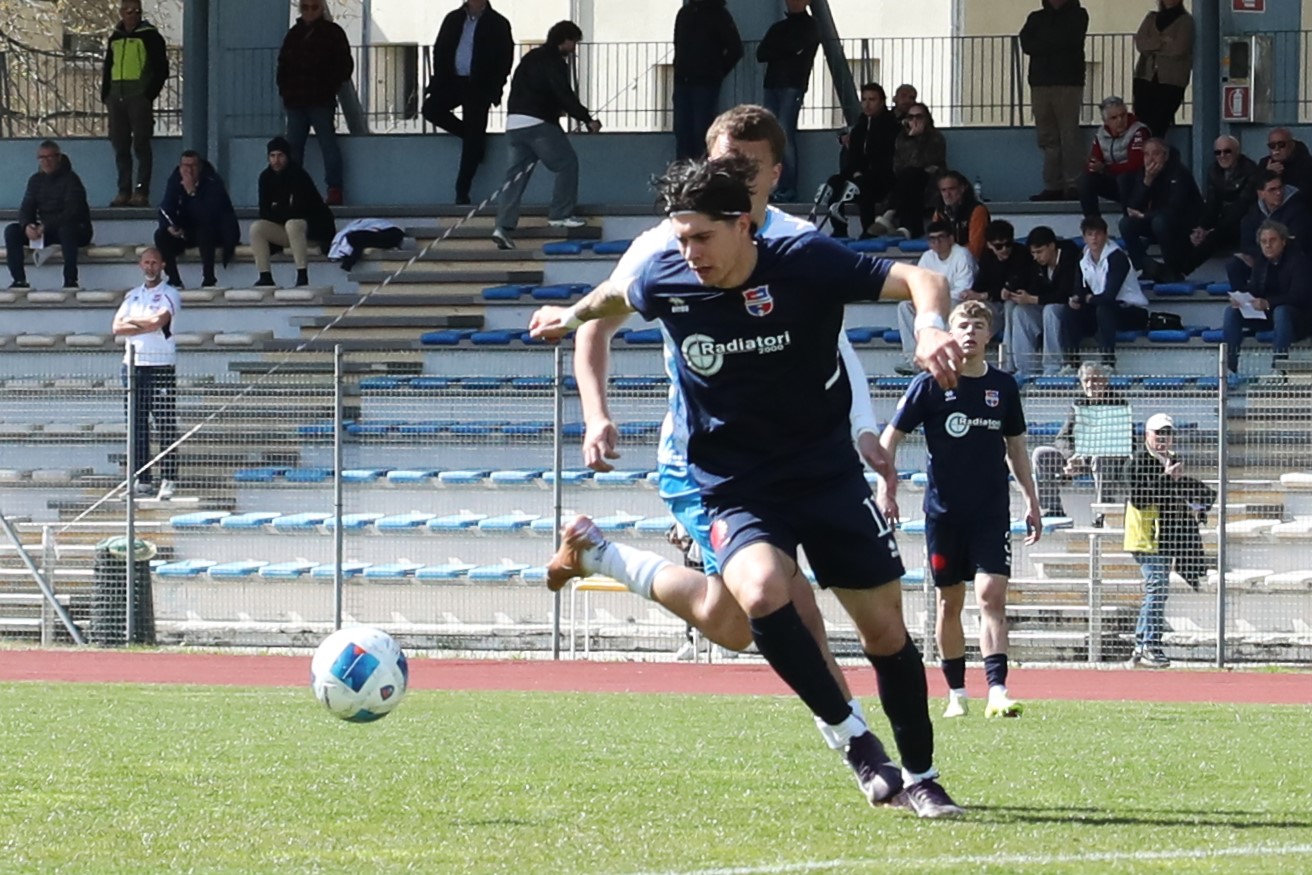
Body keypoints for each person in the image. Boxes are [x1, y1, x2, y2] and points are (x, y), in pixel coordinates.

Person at [530, 155, 967, 818]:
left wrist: (930, 326)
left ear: (743, 225)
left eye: (702, 237)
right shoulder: (665, 276)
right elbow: (614, 298)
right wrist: (569, 314)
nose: (690, 253)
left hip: (825, 472)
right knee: (760, 593)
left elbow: (922, 278)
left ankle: (923, 774)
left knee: (883, 633)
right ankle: (854, 741)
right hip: (734, 482)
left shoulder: (805, 260)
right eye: (682, 238)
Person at [545, 104, 887, 769]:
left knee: (732, 623)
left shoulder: (796, 242)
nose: (737, 176)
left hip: (798, 456)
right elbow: (595, 323)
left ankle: (599, 556)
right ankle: (861, 748)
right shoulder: (668, 243)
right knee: (786, 601)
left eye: (750, 167)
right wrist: (596, 414)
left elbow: (835, 344)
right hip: (710, 460)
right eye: (725, 162)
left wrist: (864, 427)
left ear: (776, 174)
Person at [879, 301, 1041, 719]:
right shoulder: (930, 383)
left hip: (990, 512)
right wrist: (886, 488)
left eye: (978, 324)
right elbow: (889, 439)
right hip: (944, 514)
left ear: (990, 334)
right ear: (950, 334)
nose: (970, 331)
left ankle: (998, 691)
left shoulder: (1004, 386)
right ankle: (956, 693)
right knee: (949, 602)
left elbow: (1016, 448)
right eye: (963, 324)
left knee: (991, 596)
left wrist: (1032, 500)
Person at [491, 21, 601, 251]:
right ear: (565, 39)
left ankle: (502, 226)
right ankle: (561, 214)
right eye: (574, 42)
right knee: (566, 164)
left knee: (515, 178)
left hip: (514, 124)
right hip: (538, 124)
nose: (574, 48)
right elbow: (563, 93)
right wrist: (586, 118)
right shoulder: (554, 61)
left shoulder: (530, 57)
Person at [1123, 412, 1214, 668]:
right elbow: (1140, 499)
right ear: (1147, 435)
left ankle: (1142, 646)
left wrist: (1196, 503)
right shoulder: (1137, 461)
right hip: (1145, 536)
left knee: (1158, 588)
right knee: (1157, 586)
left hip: (1164, 536)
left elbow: (1173, 493)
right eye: (1158, 433)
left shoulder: (1171, 460)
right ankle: (1149, 645)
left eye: (1167, 433)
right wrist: (1167, 478)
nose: (1163, 438)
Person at [423, 0, 514, 205]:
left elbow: (505, 58)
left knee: (473, 136)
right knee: (431, 109)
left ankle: (462, 191)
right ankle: (474, 139)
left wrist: (495, 85)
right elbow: (440, 50)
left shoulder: (498, 23)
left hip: (480, 86)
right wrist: (439, 79)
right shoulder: (453, 19)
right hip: (452, 81)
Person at [111, 248, 181, 500]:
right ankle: (142, 479)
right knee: (136, 425)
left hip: (160, 364)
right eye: (146, 263)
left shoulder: (170, 294)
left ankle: (169, 478)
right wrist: (144, 324)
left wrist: (135, 324)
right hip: (133, 365)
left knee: (164, 422)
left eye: (154, 263)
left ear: (162, 265)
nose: (150, 267)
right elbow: (116, 327)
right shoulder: (132, 296)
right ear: (140, 265)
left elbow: (157, 323)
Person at [277, 0, 354, 206]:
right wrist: (285, 91)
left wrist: (329, 86)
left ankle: (335, 190)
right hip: (296, 101)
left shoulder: (332, 33)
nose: (310, 11)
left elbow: (345, 65)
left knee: (328, 146)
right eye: (305, 7)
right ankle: (293, 192)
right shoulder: (294, 35)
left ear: (321, 8)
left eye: (314, 7)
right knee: (293, 150)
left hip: (320, 100)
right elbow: (282, 65)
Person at [1030, 361, 1130, 518]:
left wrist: (1082, 458)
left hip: (1110, 460)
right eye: (1086, 380)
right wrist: (1071, 458)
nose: (1090, 385)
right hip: (1079, 458)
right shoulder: (1078, 404)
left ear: (1105, 381)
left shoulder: (1119, 404)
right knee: (1041, 454)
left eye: (1095, 380)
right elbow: (1062, 437)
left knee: (1101, 458)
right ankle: (1053, 510)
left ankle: (1103, 514)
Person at [1019, 0, 1089, 202]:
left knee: (1069, 134)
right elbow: (1026, 43)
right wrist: (1053, 42)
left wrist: (1043, 42)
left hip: (1068, 82)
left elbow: (1070, 40)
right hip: (1040, 83)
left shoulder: (1078, 15)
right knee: (1047, 137)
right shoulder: (1036, 17)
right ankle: (1053, 186)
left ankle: (1074, 184)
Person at [102, 0, 169, 207]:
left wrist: (147, 95)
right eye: (129, 11)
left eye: (137, 11)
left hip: (138, 97)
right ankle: (123, 190)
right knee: (120, 145)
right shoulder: (115, 37)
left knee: (141, 144)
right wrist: (106, 94)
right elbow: (108, 66)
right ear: (121, 12)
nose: (133, 15)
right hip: (116, 97)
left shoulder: (150, 36)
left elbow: (161, 69)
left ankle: (141, 191)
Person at [1222, 220, 1312, 375]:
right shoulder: (1262, 262)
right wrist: (1242, 298)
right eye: (1264, 242)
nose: (1268, 245)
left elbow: (1300, 296)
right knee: (1232, 312)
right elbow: (1255, 289)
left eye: (1272, 240)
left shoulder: (1300, 261)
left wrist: (1268, 303)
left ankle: (1278, 368)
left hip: (1298, 318)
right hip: (1268, 315)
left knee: (1281, 312)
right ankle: (1230, 368)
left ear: (1283, 241)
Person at [5, 140, 93, 291]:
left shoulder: (71, 180)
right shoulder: (35, 180)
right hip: (47, 231)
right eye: (42, 158)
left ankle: (70, 280)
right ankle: (19, 280)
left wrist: (46, 226)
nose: (46, 161)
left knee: (66, 229)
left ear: (58, 158)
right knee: (12, 231)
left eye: (50, 157)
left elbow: (72, 212)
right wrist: (27, 225)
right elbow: (26, 207)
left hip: (76, 230)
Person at [250, 136, 336, 289]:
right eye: (272, 156)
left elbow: (300, 210)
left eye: (280, 155)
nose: (276, 160)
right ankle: (265, 276)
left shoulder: (298, 175)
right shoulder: (265, 177)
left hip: (312, 230)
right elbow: (264, 212)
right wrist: (283, 210)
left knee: (293, 224)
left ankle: (302, 275)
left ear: (287, 156)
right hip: (287, 230)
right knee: (257, 228)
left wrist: (277, 209)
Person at [816, 82, 900, 238]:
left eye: (872, 100)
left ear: (882, 102)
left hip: (882, 178)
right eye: (864, 99)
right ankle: (839, 229)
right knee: (834, 182)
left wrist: (862, 173)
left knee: (864, 185)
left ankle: (868, 230)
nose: (867, 104)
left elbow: (887, 156)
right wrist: (855, 171)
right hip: (859, 174)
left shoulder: (891, 126)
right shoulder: (860, 125)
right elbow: (854, 154)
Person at [756, 0, 820, 203]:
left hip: (793, 85)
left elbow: (795, 48)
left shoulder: (810, 26)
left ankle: (789, 187)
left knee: (784, 133)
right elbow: (761, 53)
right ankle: (775, 185)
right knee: (771, 135)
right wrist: (787, 50)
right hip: (772, 84)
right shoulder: (779, 27)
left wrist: (780, 50)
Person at [1066, 215, 1149, 369]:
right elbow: (1079, 288)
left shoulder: (1117, 257)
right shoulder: (1083, 257)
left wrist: (1088, 299)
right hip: (1102, 307)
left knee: (1104, 309)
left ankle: (1108, 363)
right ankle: (1072, 363)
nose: (1094, 238)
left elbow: (1109, 296)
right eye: (1090, 234)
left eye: (1098, 234)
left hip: (1131, 311)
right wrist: (1077, 298)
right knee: (1071, 310)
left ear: (1105, 235)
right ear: (1084, 238)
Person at [1118, 138, 1202, 283]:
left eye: (1155, 154)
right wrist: (1146, 182)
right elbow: (1132, 207)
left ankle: (1173, 270)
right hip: (1156, 221)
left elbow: (1176, 209)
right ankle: (1144, 267)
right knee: (1126, 224)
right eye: (1146, 154)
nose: (1151, 159)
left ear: (1165, 156)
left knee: (1160, 222)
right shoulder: (1144, 173)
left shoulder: (1179, 173)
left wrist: (1145, 216)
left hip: (1183, 225)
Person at [896, 220, 975, 373]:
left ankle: (945, 358)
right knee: (904, 307)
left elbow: (964, 289)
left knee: (953, 304)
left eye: (941, 238)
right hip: (933, 302)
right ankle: (914, 360)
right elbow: (919, 286)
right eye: (932, 239)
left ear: (951, 239)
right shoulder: (927, 257)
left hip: (957, 303)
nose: (937, 243)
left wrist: (935, 299)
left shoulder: (962, 255)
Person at [153, 150, 240, 289]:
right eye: (185, 166)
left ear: (200, 167)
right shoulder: (175, 180)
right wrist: (170, 225)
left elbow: (209, 216)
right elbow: (165, 208)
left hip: (215, 230)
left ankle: (209, 279)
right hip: (186, 230)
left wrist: (192, 193)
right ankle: (174, 280)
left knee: (205, 232)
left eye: (192, 166)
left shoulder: (212, 181)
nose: (188, 171)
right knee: (161, 235)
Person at [1005, 225, 1081, 378]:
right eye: (1033, 253)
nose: (1036, 257)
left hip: (1071, 312)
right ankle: (1027, 369)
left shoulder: (1070, 258)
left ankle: (1053, 367)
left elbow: (1065, 293)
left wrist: (1032, 299)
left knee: (1050, 310)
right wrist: (1014, 291)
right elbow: (1033, 286)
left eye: (1039, 252)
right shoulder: (1037, 264)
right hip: (1046, 307)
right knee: (1020, 311)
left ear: (1052, 246)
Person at [671, 0, 743, 161]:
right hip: (683, 82)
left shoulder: (719, 14)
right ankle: (684, 174)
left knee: (702, 134)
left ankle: (703, 172)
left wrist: (716, 73)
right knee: (682, 134)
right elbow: (678, 45)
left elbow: (735, 49)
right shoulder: (685, 14)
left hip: (705, 84)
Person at [1226, 170, 1312, 295]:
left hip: (1286, 261)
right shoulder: (1253, 213)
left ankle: (1275, 301)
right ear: (1261, 194)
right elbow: (1246, 244)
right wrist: (1259, 256)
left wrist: (1266, 256)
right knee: (1234, 264)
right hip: (1260, 259)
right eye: (1272, 190)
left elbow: (1299, 244)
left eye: (1280, 188)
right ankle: (1243, 301)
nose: (1278, 193)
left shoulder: (1298, 210)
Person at [868, 103, 947, 239]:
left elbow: (924, 163)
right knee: (909, 178)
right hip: (907, 181)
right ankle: (908, 228)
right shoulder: (902, 138)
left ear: (927, 119)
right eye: (910, 117)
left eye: (919, 117)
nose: (914, 120)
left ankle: (890, 214)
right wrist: (911, 139)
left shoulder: (935, 138)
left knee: (912, 176)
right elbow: (898, 167)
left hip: (931, 182)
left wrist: (918, 140)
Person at [1182, 136, 1258, 275]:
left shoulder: (1250, 170)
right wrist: (1202, 227)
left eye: (1227, 151)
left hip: (1245, 222)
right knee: (1188, 231)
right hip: (1224, 220)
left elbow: (1242, 206)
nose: (1222, 156)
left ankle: (1183, 271)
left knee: (1215, 236)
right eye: (1218, 152)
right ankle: (1173, 269)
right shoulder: (1214, 170)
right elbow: (1212, 203)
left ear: (1237, 151)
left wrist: (1212, 230)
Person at [1077, 96, 1148, 218]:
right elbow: (1094, 162)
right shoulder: (1101, 134)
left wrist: (1105, 168)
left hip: (1137, 185)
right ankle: (1093, 224)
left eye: (1123, 115)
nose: (1120, 120)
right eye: (1114, 118)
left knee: (1125, 178)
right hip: (1115, 183)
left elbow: (1135, 165)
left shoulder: (1138, 131)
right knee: (1086, 180)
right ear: (1106, 121)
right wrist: (1093, 166)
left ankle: (1129, 222)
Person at [1132, 0, 1193, 138]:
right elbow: (1141, 43)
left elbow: (1178, 49)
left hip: (1171, 81)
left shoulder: (1186, 21)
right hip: (1144, 77)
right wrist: (1163, 41)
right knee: (1141, 123)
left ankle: (1156, 149)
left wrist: (1153, 44)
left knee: (1159, 122)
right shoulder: (1151, 17)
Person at [931, 171, 991, 260]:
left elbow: (975, 249)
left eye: (952, 189)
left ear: (963, 188)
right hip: (946, 261)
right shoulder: (940, 212)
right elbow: (933, 243)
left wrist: (950, 255)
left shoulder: (976, 210)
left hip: (972, 262)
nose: (947, 194)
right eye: (943, 190)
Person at [1258, 129, 1312, 194]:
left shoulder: (1307, 164)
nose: (1276, 148)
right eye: (1272, 145)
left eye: (1281, 144)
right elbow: (1253, 192)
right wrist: (1267, 175)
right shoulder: (1264, 163)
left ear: (1291, 145)